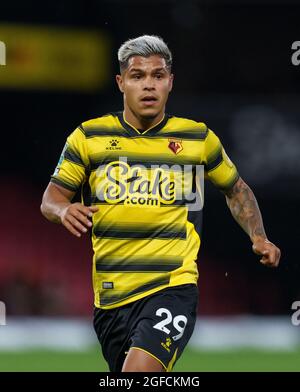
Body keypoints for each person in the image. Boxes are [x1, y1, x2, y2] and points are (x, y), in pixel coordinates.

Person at [40, 35, 281, 372]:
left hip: (173, 288)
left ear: (170, 82)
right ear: (121, 83)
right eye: (138, 76)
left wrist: (258, 235)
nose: (149, 85)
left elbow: (237, 189)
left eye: (157, 75)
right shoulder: (88, 137)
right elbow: (51, 199)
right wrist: (64, 209)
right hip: (111, 300)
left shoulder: (198, 138)